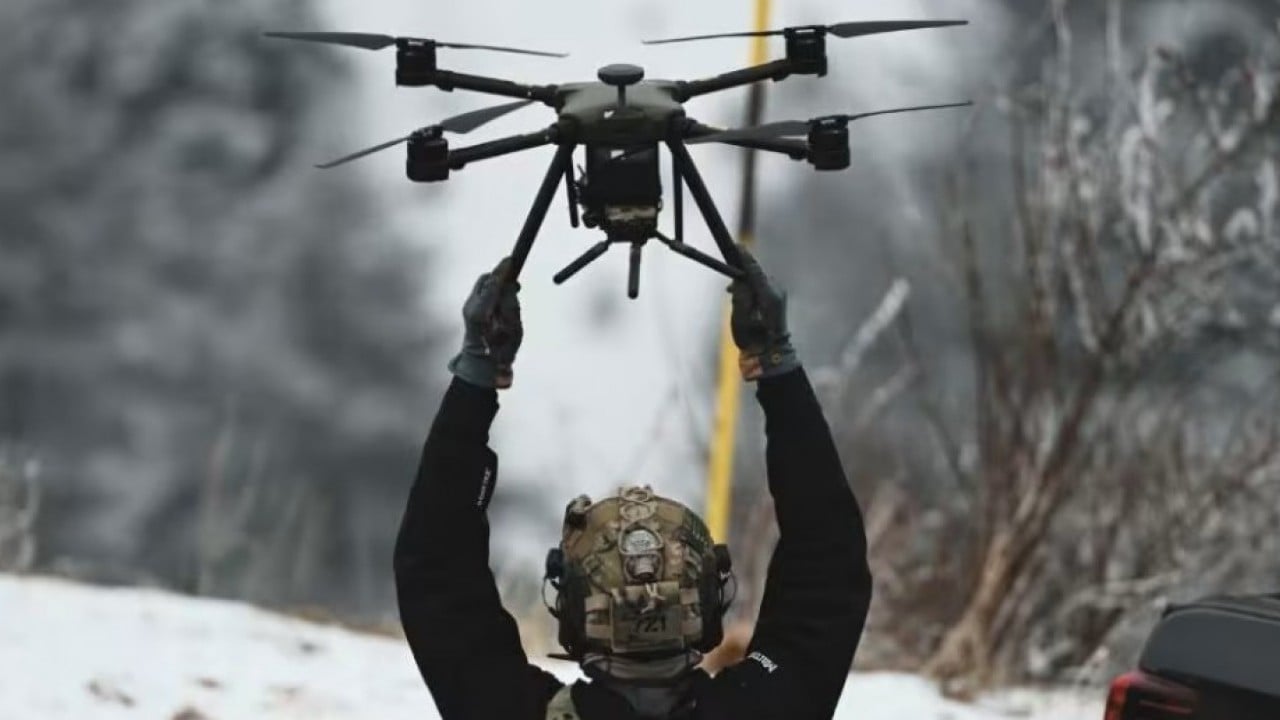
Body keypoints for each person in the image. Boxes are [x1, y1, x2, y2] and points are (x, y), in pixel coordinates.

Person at [394, 247, 873, 719]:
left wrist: (476, 374)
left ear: (572, 613)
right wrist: (775, 362)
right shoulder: (768, 708)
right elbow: (828, 557)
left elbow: (436, 569)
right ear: (708, 605)